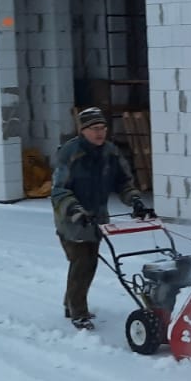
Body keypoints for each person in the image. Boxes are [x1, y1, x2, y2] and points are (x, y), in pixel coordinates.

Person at [50, 107, 153, 330]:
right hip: (71, 219)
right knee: (82, 262)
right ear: (83, 131)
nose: (100, 132)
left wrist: (135, 200)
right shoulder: (70, 153)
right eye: (94, 128)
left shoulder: (110, 153)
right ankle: (78, 312)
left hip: (97, 218)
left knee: (88, 262)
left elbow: (123, 182)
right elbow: (59, 191)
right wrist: (76, 211)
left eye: (103, 127)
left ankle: (71, 304)